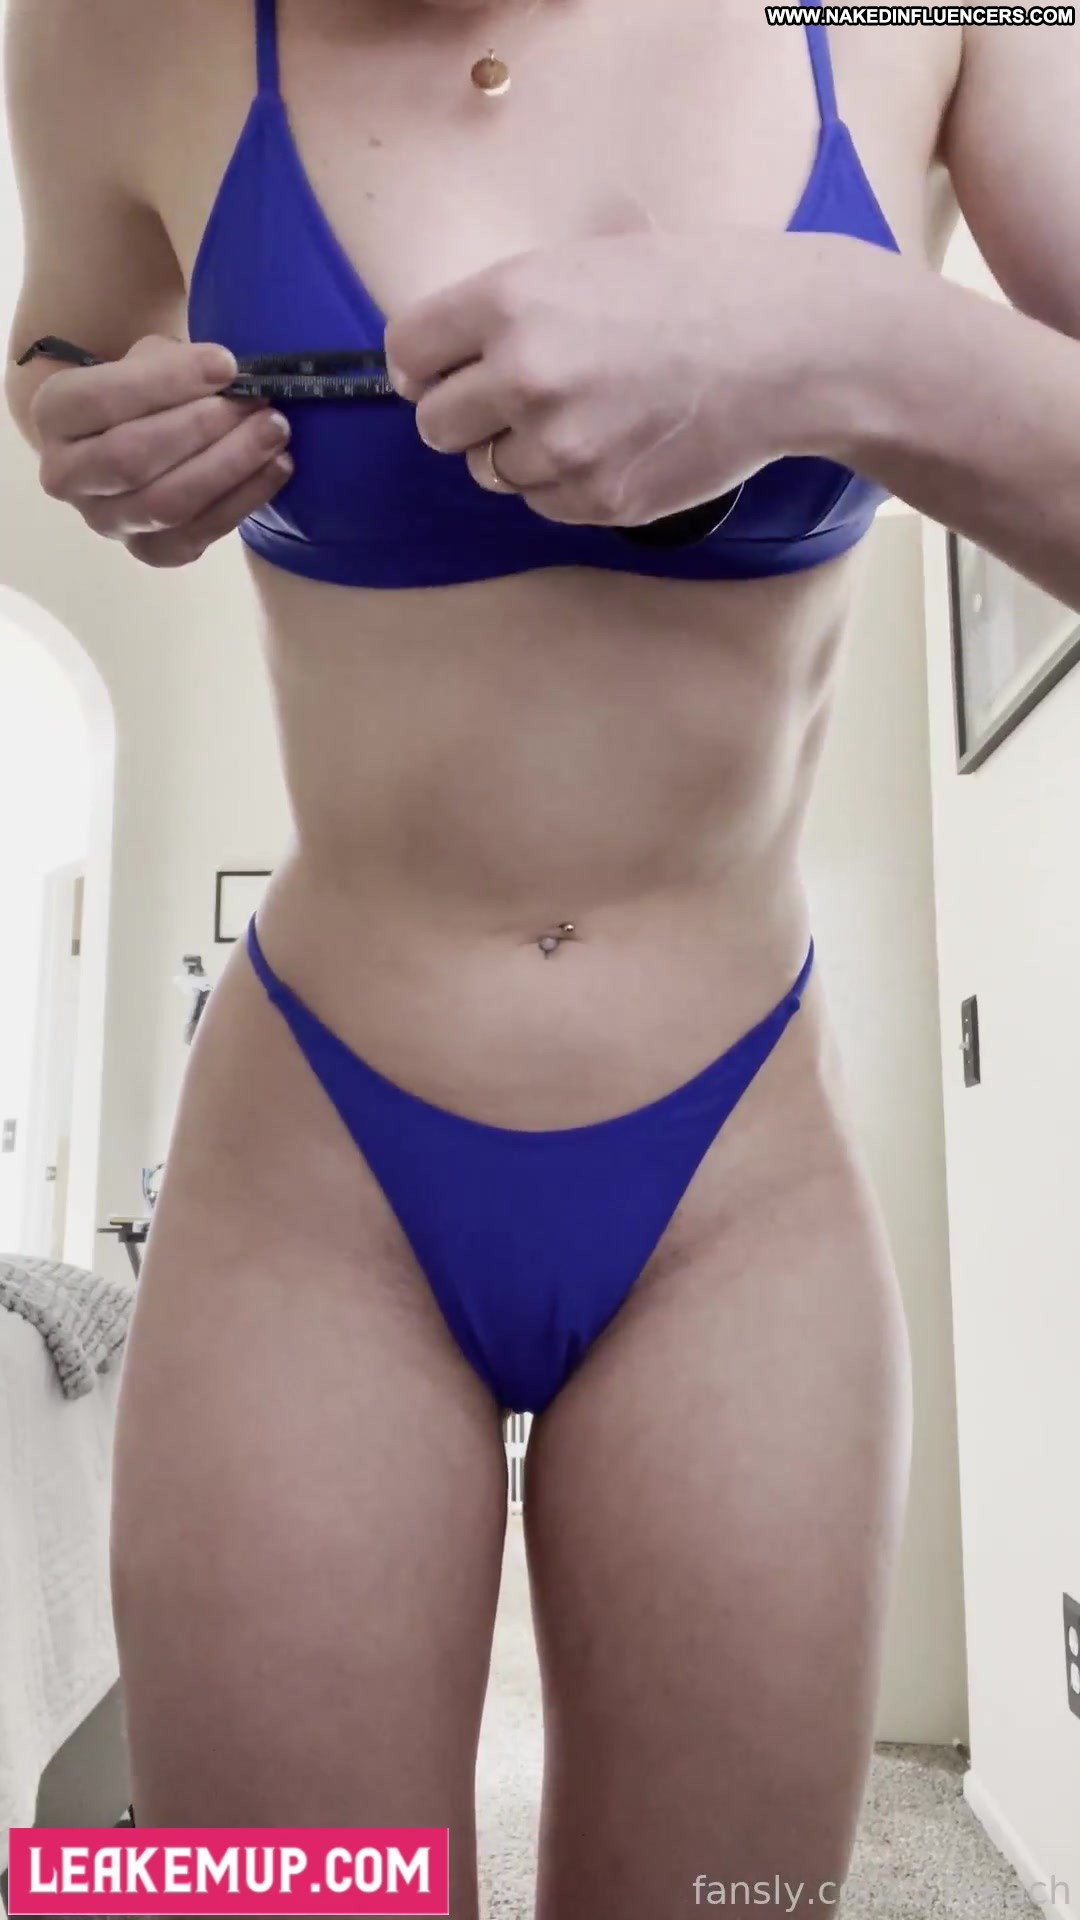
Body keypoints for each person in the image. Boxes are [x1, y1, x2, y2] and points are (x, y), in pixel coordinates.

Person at [6, 0, 1079, 1912]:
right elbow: (61, 339)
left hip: (737, 1180)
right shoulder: (102, 23)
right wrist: (81, 429)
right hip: (311, 1163)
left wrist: (845, 337)